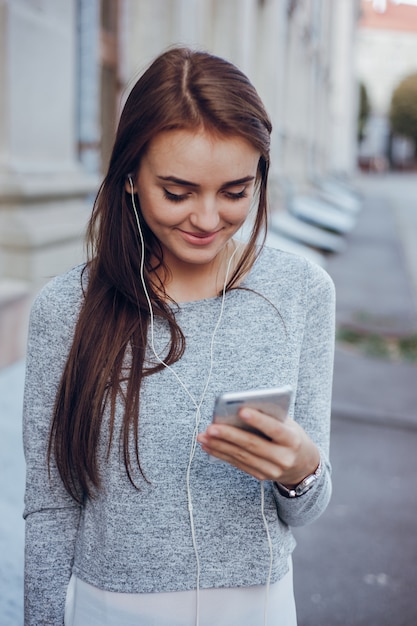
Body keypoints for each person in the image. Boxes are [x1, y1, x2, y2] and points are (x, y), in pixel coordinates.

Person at [23, 47, 335, 626]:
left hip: (258, 607)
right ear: (130, 180)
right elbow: (50, 503)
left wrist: (302, 468)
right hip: (108, 608)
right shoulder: (66, 309)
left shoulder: (302, 291)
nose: (208, 219)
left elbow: (306, 509)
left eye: (236, 192)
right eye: (178, 192)